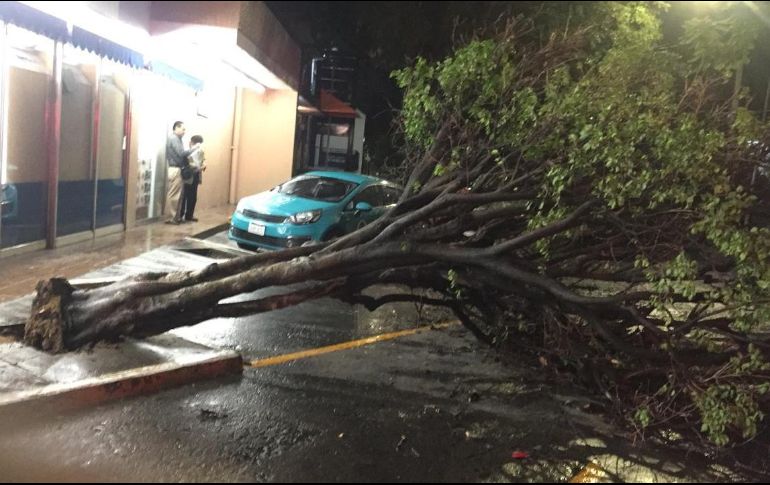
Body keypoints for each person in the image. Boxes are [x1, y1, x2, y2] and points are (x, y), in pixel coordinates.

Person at [165, 121, 199, 224]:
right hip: (175, 169)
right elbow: (181, 153)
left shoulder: (177, 139)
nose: (184, 131)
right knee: (174, 194)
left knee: (179, 195)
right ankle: (172, 217)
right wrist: (193, 149)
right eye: (183, 129)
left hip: (177, 169)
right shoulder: (174, 138)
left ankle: (176, 217)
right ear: (176, 128)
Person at [180, 135, 206, 222]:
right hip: (188, 176)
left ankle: (189, 215)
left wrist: (203, 165)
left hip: (195, 176)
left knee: (193, 196)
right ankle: (181, 214)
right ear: (191, 143)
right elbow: (184, 157)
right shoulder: (187, 152)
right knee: (185, 196)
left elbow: (202, 161)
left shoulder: (200, 152)